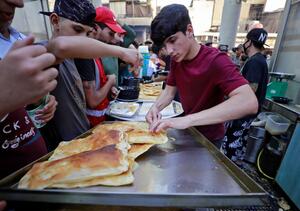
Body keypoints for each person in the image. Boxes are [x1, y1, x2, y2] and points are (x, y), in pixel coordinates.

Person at [146, 4, 258, 147]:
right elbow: (169, 92)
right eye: (164, 45)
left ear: (189, 31)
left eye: (173, 40)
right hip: (188, 131)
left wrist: (188, 120)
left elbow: (249, 102)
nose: (169, 51)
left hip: (210, 138)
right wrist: (155, 108)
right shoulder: (177, 60)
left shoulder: (216, 60)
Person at [39, 0, 139, 146]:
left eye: (86, 33)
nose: (82, 40)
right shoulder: (46, 51)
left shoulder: (74, 58)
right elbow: (60, 46)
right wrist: (122, 52)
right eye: (77, 30)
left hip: (81, 139)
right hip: (60, 148)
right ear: (55, 21)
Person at [0, 0, 58, 178]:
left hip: (36, 167)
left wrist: (47, 100)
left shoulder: (20, 39)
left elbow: (30, 98)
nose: (18, 3)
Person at [221, 28, 269, 163]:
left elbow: (251, 89)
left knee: (232, 145)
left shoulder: (255, 62)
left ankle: (228, 173)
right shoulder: (259, 60)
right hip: (248, 112)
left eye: (245, 40)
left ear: (249, 42)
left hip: (243, 113)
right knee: (239, 144)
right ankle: (235, 170)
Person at [74, 6, 126, 126]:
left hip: (101, 119)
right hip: (91, 124)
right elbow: (92, 101)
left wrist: (109, 90)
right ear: (95, 28)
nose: (113, 38)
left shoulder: (95, 54)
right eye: (110, 34)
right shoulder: (85, 55)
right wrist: (110, 82)